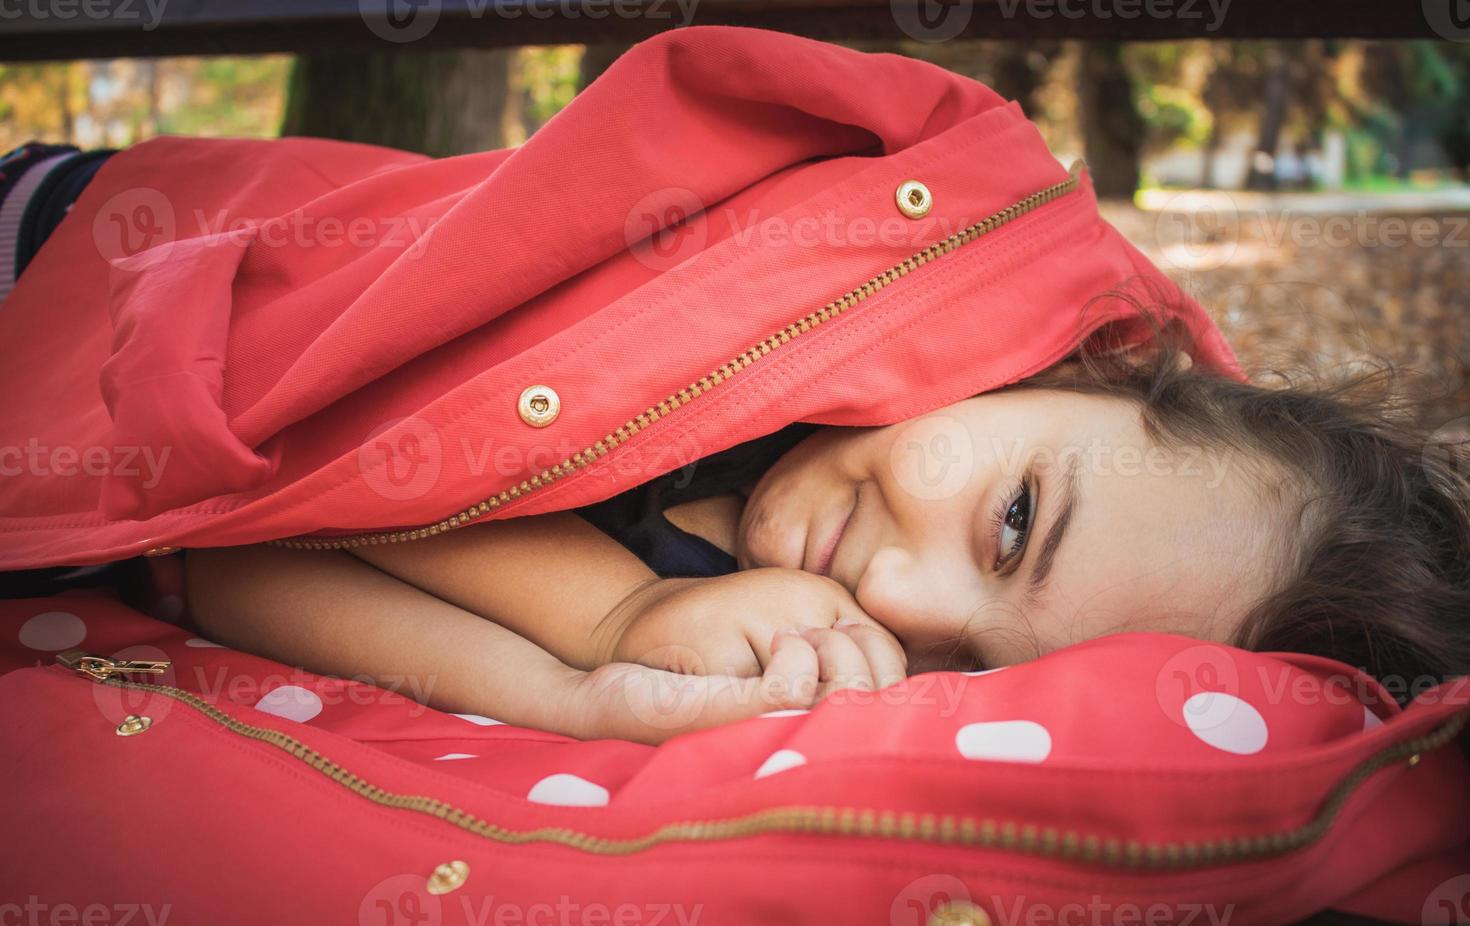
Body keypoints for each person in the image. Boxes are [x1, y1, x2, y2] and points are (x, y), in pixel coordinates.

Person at [182, 299, 1470, 743]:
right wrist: (609, 611)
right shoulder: (754, 341)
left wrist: (573, 684)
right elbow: (344, 434)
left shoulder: (729, 631)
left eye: (965, 667)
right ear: (1085, 371)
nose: (909, 606)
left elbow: (211, 560)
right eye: (1015, 520)